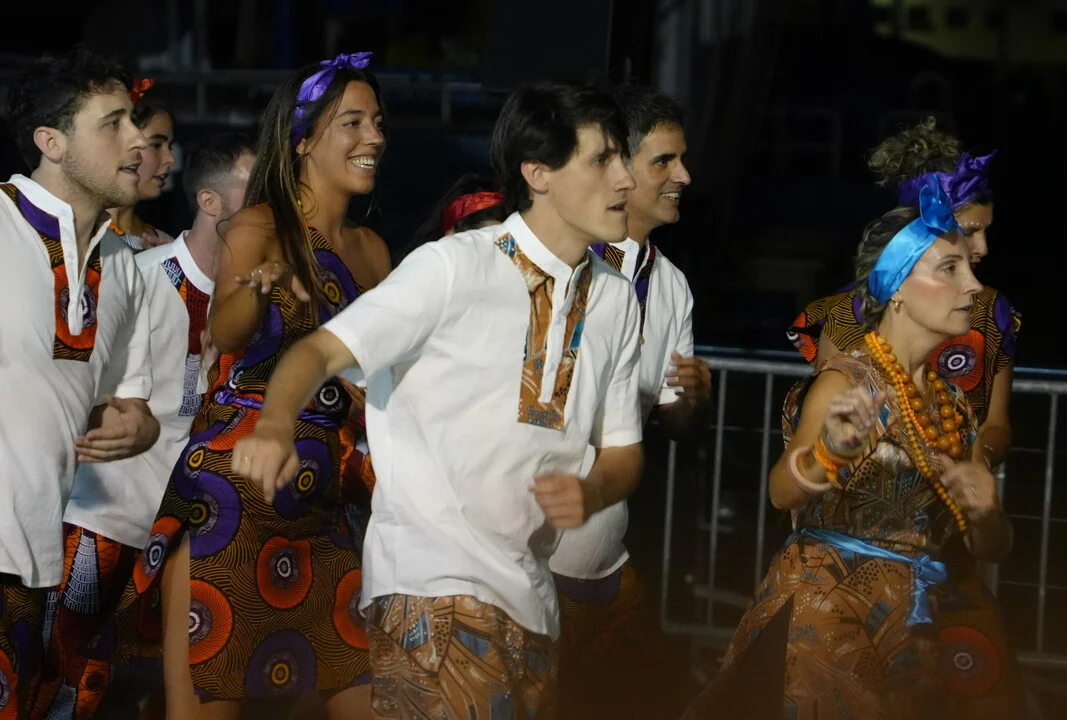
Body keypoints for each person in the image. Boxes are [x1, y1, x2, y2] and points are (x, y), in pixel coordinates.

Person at [230, 80, 645, 719]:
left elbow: (623, 451)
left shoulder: (615, 296)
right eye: (602, 160)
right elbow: (319, 352)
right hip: (432, 590)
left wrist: (591, 492)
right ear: (538, 173)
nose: (626, 179)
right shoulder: (453, 266)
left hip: (535, 605)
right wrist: (274, 426)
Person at [111, 51, 391, 719]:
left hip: (327, 506)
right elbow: (227, 330)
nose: (375, 137)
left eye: (378, 122)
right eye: (352, 122)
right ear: (303, 141)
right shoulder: (259, 226)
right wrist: (255, 286)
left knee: (366, 698)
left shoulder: (375, 251)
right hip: (236, 498)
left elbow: (388, 375)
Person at [684, 180, 1015, 719]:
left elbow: (992, 547)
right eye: (950, 269)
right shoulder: (846, 382)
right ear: (898, 286)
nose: (975, 285)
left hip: (910, 629)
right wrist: (831, 453)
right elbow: (781, 491)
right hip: (825, 621)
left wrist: (986, 511)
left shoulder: (952, 406)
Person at [786, 118, 1025, 717]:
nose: (981, 254)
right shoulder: (849, 352)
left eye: (983, 235)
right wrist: (831, 453)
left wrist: (978, 485)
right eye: (968, 233)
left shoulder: (958, 386)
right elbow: (792, 482)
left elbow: (993, 431)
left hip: (928, 582)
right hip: (837, 599)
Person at [31, 133, 256, 720]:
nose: (269, 202)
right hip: (103, 521)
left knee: (153, 697)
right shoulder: (142, 276)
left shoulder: (262, 302)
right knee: (63, 686)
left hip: (191, 536)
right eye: (254, 188)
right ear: (209, 201)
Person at [0, 46, 159, 718]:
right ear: (52, 142)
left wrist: (136, 426)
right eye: (113, 124)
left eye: (135, 122)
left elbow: (128, 403)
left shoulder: (123, 264)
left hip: (34, 558)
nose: (138, 140)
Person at [546, 85, 711, 718]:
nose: (683, 176)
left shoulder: (671, 285)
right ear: (618, 167)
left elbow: (673, 421)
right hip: (530, 558)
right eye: (664, 161)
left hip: (605, 553)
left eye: (682, 159)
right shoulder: (563, 262)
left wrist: (692, 398)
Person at [108, 78, 176, 252]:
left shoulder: (165, 246)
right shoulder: (75, 240)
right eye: (156, 145)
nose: (170, 159)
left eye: (170, 147)